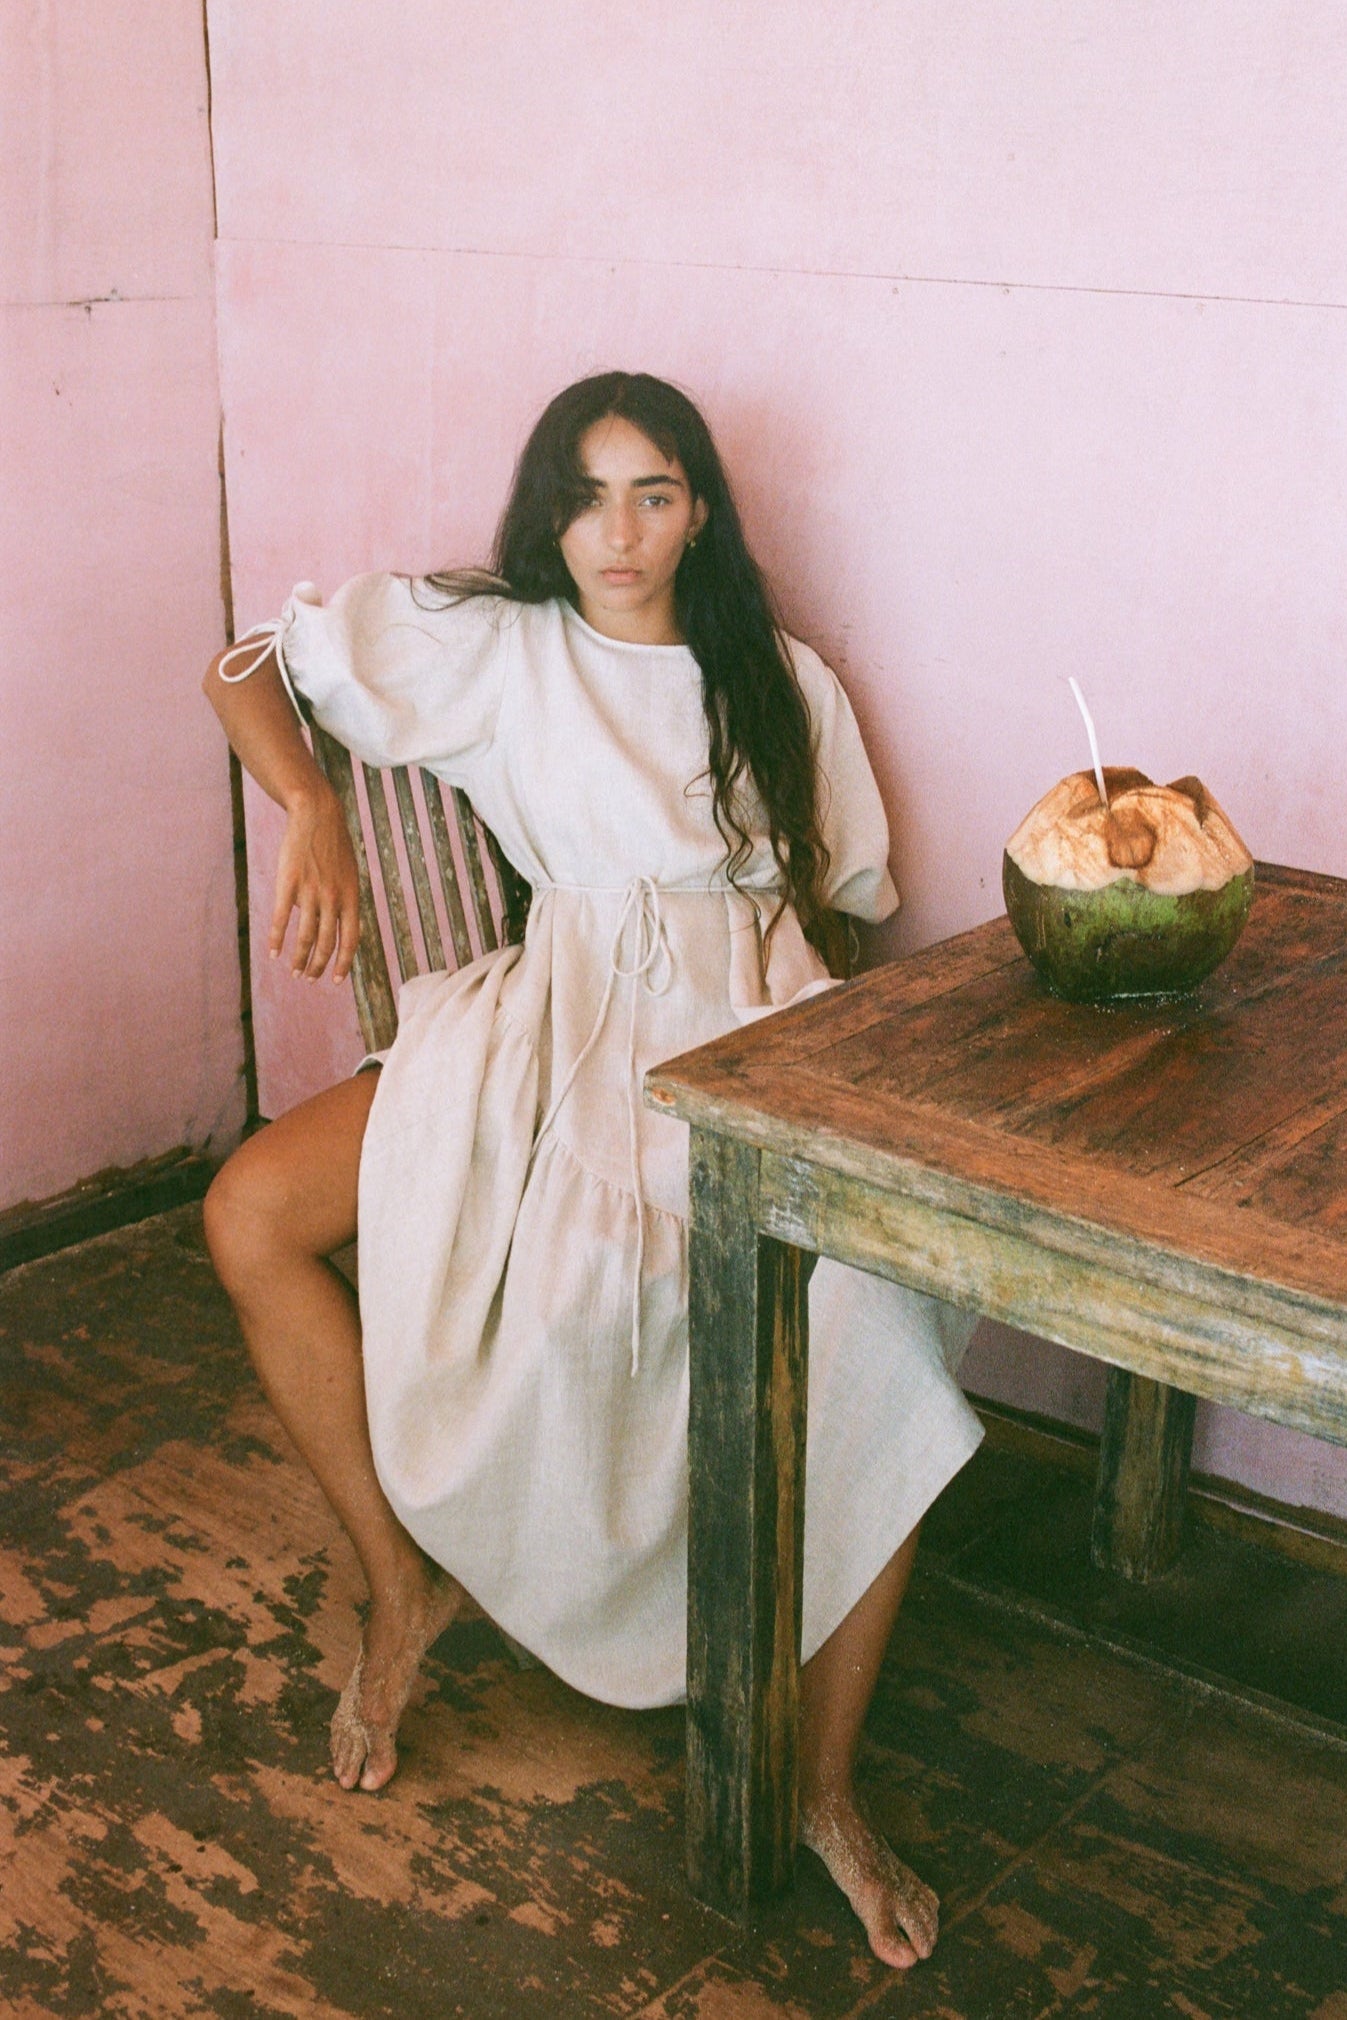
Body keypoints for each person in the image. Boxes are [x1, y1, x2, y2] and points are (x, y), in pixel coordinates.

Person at [202, 370, 983, 1971]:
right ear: (544, 509)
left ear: (702, 508)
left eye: (654, 494)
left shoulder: (783, 680)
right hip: (549, 1024)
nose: (616, 535)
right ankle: (395, 1587)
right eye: (585, 495)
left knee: (889, 1347)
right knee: (250, 1211)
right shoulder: (502, 645)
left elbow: (851, 907)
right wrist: (310, 810)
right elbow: (243, 665)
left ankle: (817, 1787)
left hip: (753, 1047)